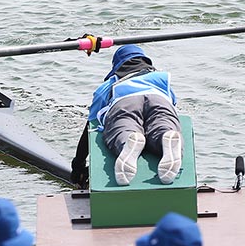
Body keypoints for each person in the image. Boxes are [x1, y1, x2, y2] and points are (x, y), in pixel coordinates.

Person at [70, 44, 183, 188]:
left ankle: (128, 142)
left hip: (125, 100)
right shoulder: (160, 78)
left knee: (123, 126)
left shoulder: (112, 82)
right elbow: (172, 104)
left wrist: (78, 165)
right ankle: (165, 136)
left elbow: (90, 126)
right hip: (159, 98)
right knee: (163, 122)